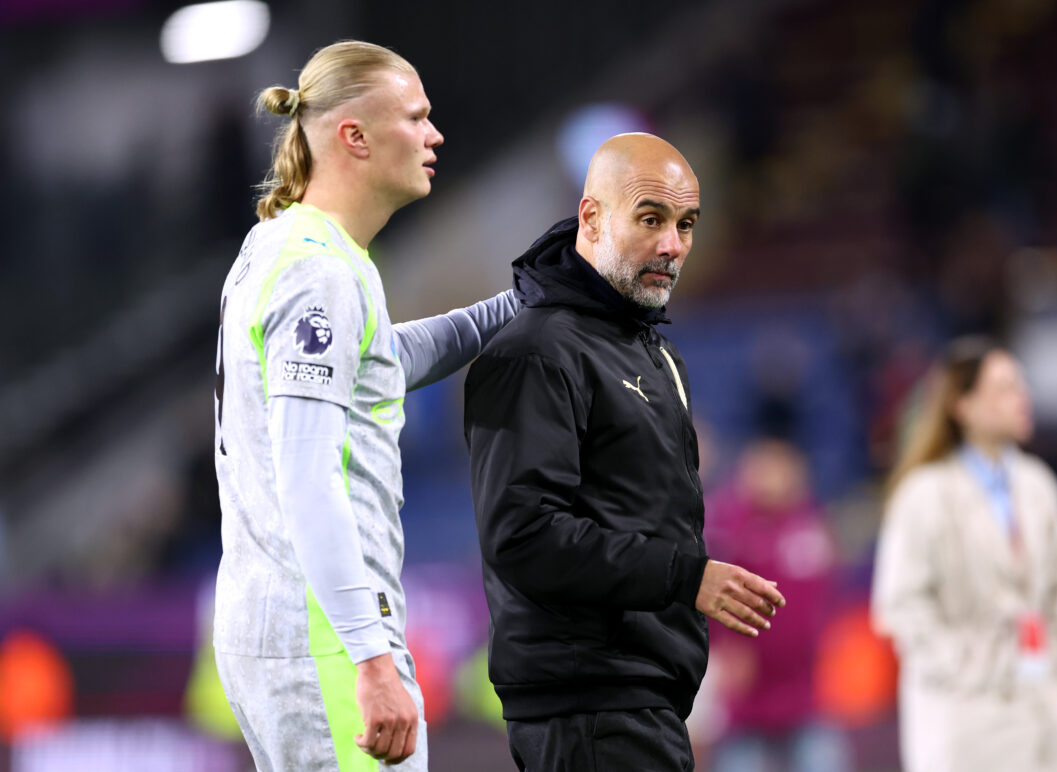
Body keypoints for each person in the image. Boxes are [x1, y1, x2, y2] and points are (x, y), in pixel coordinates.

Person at [212, 40, 518, 771]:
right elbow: (307, 479)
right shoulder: (319, 274)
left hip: (289, 627)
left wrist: (517, 307)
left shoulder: (281, 247)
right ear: (354, 136)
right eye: (415, 117)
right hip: (324, 639)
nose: (433, 135)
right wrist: (371, 656)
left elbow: (381, 364)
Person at [463, 132, 786, 771]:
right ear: (591, 217)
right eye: (651, 218)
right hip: (588, 705)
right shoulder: (536, 351)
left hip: (639, 700)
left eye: (686, 224)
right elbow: (523, 535)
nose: (673, 244)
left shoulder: (655, 353)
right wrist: (684, 576)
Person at [871, 337, 1057, 772]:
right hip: (964, 717)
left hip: (1043, 709)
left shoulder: (1039, 485)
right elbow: (899, 605)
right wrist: (968, 669)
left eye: (1021, 385)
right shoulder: (923, 494)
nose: (1022, 397)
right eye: (1005, 388)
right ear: (963, 405)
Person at [706, 439, 852, 772]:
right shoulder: (728, 527)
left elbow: (826, 596)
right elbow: (711, 594)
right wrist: (721, 647)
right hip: (748, 695)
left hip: (806, 692)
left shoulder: (811, 525)